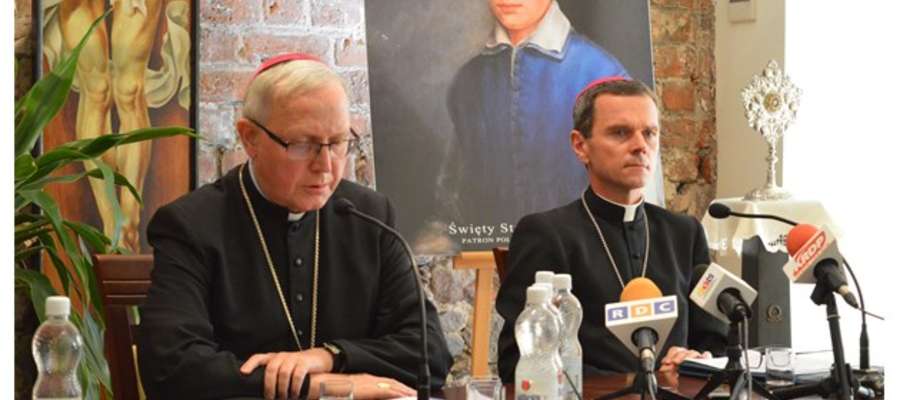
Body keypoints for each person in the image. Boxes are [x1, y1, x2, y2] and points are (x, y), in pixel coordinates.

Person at [138, 53, 452, 399]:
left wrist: (330, 357)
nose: (326, 166)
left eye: (338, 143)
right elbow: (171, 366)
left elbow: (430, 352)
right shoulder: (192, 225)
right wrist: (321, 387)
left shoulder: (369, 216)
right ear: (250, 139)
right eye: (303, 145)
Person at [495, 78, 727, 382]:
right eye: (620, 133)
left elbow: (715, 344)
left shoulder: (684, 233)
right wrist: (631, 383)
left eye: (649, 133)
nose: (640, 146)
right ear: (580, 146)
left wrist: (695, 359)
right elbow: (518, 360)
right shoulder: (547, 234)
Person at [441, 0, 666, 245]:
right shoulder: (468, 80)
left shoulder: (603, 74)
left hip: (588, 252)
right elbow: (453, 192)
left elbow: (641, 210)